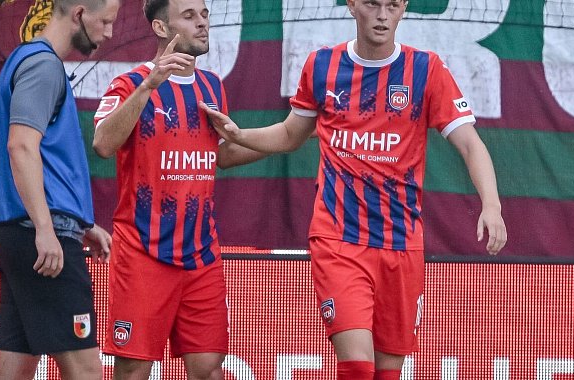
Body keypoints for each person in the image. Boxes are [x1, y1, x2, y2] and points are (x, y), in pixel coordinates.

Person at [201, 0, 508, 378]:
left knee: (387, 371)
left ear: (404, 8)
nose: (382, 15)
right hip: (338, 240)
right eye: (372, 4)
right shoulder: (323, 66)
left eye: (392, 5)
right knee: (358, 367)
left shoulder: (426, 69)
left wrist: (491, 205)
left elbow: (469, 143)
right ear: (351, 6)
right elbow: (289, 134)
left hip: (401, 244)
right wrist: (239, 135)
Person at [90, 0, 267, 378]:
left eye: (204, 14)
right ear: (159, 28)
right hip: (142, 252)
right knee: (134, 369)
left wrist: (294, 136)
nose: (202, 23)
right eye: (189, 16)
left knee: (208, 368)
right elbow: (103, 144)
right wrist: (150, 84)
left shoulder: (211, 86)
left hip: (201, 254)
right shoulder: (129, 83)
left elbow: (220, 154)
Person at [0, 0, 120, 379]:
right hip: (40, 238)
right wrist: (47, 229)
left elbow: (42, 159)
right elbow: (21, 146)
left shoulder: (26, 60)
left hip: (24, 233)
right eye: (105, 22)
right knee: (87, 372)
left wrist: (79, 223)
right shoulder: (43, 66)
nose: (109, 33)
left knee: (14, 367)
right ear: (79, 14)